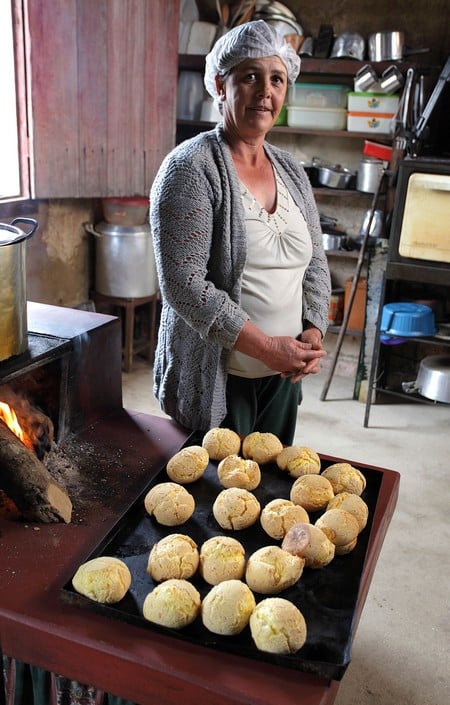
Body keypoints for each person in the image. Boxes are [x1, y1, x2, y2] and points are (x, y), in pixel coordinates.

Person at [150, 20, 331, 446]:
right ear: (220, 84)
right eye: (250, 76)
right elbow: (185, 285)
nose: (265, 92)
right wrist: (267, 346)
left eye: (277, 79)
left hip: (284, 377)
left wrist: (312, 331)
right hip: (219, 382)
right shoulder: (190, 169)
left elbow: (316, 261)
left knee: (270, 496)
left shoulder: (290, 171)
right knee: (217, 504)